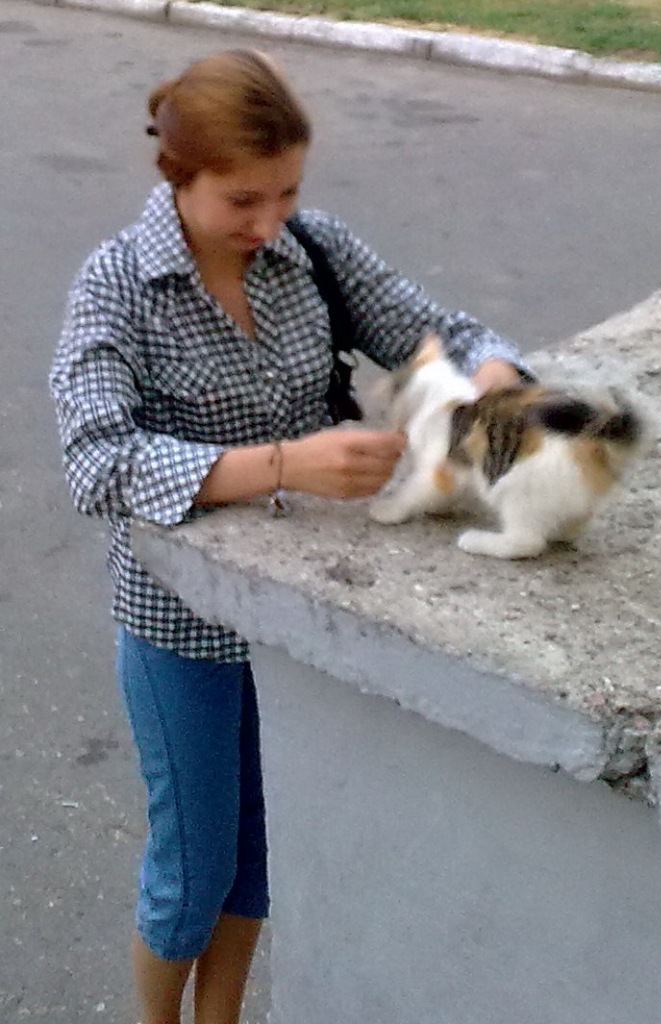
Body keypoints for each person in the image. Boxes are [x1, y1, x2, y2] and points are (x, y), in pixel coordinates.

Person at [49, 49, 529, 1024]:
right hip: (179, 626)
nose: (269, 223)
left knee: (258, 860)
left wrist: (491, 376)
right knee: (191, 872)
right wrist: (284, 463)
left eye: (287, 193)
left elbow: (437, 330)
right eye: (242, 200)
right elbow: (96, 462)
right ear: (177, 176)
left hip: (296, 626)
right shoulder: (118, 286)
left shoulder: (310, 249)